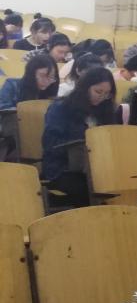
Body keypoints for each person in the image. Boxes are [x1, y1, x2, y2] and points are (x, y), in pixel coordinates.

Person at [41, 67, 117, 206]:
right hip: (63, 168)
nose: (102, 97)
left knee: (120, 184)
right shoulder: (61, 108)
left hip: (98, 168)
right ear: (85, 88)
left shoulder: (106, 110)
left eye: (107, 94)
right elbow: (50, 143)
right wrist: (77, 147)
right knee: (91, 189)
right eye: (98, 91)